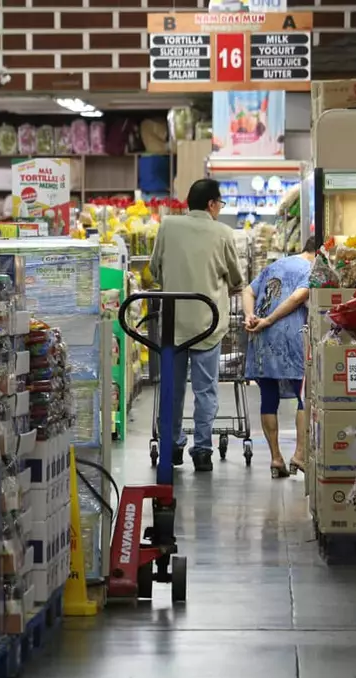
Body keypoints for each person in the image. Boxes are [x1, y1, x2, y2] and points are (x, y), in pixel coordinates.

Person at [150, 179, 244, 472]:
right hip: (208, 324)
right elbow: (236, 279)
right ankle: (202, 450)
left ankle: (172, 446)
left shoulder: (167, 226)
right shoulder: (223, 232)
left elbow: (154, 269)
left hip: (173, 324)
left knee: (172, 388)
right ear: (212, 204)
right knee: (205, 390)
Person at [242, 238, 316, 479]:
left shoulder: (275, 265)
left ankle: (276, 459)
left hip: (261, 337)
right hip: (290, 337)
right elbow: (298, 297)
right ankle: (300, 455)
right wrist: (271, 320)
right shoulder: (312, 269)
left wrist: (250, 316)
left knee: (268, 397)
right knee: (303, 395)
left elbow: (248, 291)